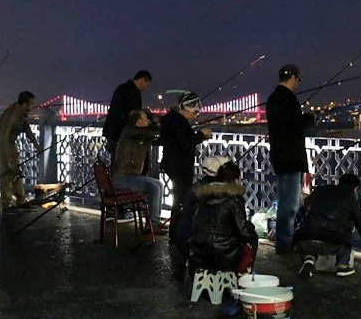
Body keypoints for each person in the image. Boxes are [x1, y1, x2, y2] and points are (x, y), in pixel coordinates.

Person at [293, 173, 361, 278]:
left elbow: (301, 212)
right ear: (355, 188)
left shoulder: (319, 190)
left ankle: (309, 259)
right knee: (345, 244)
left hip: (306, 239)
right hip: (332, 243)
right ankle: (343, 266)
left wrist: (297, 234)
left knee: (309, 243)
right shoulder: (350, 197)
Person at [265, 64, 316, 254]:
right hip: (290, 157)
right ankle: (284, 242)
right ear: (293, 78)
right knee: (290, 204)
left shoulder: (273, 99)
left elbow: (285, 125)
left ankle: (285, 238)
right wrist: (310, 118)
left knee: (289, 201)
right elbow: (295, 125)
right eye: (298, 80)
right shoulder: (289, 99)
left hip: (280, 156)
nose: (298, 84)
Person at [187, 157, 258, 274]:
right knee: (251, 239)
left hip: (197, 253)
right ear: (235, 180)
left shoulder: (204, 195)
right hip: (224, 258)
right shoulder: (234, 198)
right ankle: (242, 277)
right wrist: (252, 228)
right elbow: (244, 231)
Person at [159, 91, 212, 241]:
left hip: (171, 164)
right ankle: (179, 235)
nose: (196, 115)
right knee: (183, 201)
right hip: (180, 167)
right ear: (188, 108)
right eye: (195, 112)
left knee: (179, 199)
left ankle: (176, 233)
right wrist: (202, 134)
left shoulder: (170, 119)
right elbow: (186, 144)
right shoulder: (178, 123)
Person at [110, 109, 165, 233]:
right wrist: (158, 123)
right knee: (154, 188)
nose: (148, 121)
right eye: (146, 119)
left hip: (131, 176)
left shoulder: (140, 134)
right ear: (139, 121)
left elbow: (154, 137)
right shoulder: (128, 131)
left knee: (159, 184)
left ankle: (154, 221)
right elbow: (150, 132)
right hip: (121, 178)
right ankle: (152, 225)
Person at [0, 91, 42, 214]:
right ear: (25, 104)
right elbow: (4, 138)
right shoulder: (12, 116)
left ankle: (21, 200)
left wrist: (36, 145)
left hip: (10, 143)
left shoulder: (23, 113)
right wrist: (9, 159)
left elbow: (27, 129)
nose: (33, 106)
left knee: (16, 172)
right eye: (31, 104)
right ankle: (7, 204)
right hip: (0, 144)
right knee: (7, 173)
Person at [103, 70, 152, 167]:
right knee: (121, 164)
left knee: (116, 163)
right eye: (146, 85)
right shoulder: (133, 92)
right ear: (142, 80)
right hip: (121, 134)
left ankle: (115, 181)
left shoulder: (122, 88)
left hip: (113, 132)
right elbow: (133, 114)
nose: (146, 88)